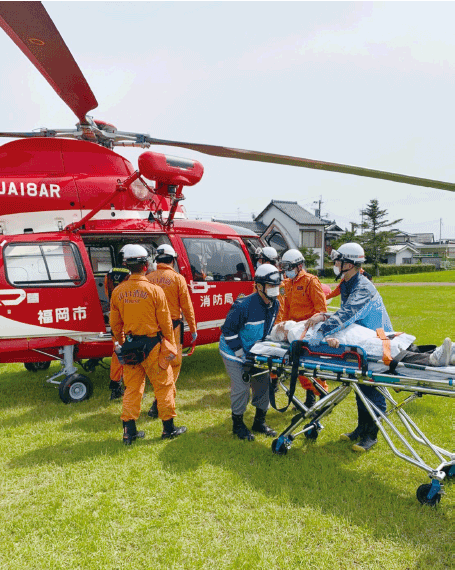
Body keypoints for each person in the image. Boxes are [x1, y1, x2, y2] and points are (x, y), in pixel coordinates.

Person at [303, 242, 398, 452]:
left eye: (338, 260)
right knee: (359, 387)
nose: (335, 263)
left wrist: (321, 331)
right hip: (361, 342)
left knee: (371, 389)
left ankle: (370, 436)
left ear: (350, 264)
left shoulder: (363, 287)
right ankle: (360, 429)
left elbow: (348, 315)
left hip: (376, 344)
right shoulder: (348, 283)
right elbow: (345, 313)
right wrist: (324, 315)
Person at [110, 244, 186, 444]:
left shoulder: (118, 292)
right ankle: (168, 429)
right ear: (145, 265)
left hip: (131, 346)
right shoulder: (155, 291)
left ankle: (129, 432)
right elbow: (166, 323)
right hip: (153, 346)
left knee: (132, 389)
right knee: (164, 386)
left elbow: (115, 325)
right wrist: (169, 343)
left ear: (126, 265)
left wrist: (122, 342)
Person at [219, 264, 281, 441]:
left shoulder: (275, 304)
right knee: (242, 388)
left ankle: (259, 422)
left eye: (276, 286)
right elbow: (228, 331)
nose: (274, 290)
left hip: (254, 351)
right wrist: (241, 355)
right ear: (259, 286)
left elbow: (267, 330)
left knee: (264, 385)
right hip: (233, 351)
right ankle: (237, 424)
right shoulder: (243, 305)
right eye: (270, 286)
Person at [146, 244, 198, 419]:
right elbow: (187, 307)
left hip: (152, 330)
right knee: (173, 365)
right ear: (173, 260)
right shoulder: (177, 279)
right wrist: (193, 328)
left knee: (157, 366)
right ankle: (160, 403)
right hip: (172, 330)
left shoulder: (148, 278)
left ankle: (158, 401)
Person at [275, 248, 328, 408]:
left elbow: (321, 310)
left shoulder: (311, 281)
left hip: (308, 331)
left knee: (312, 369)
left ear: (299, 266)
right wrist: (281, 326)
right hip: (293, 332)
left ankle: (324, 399)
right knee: (300, 370)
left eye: (289, 267)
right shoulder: (286, 283)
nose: (287, 271)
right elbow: (284, 308)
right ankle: (310, 400)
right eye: (285, 267)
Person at [104, 262, 131, 400]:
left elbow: (107, 292)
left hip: (115, 322)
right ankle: (130, 387)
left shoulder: (110, 273)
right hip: (128, 323)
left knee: (117, 356)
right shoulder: (129, 275)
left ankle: (115, 387)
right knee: (129, 358)